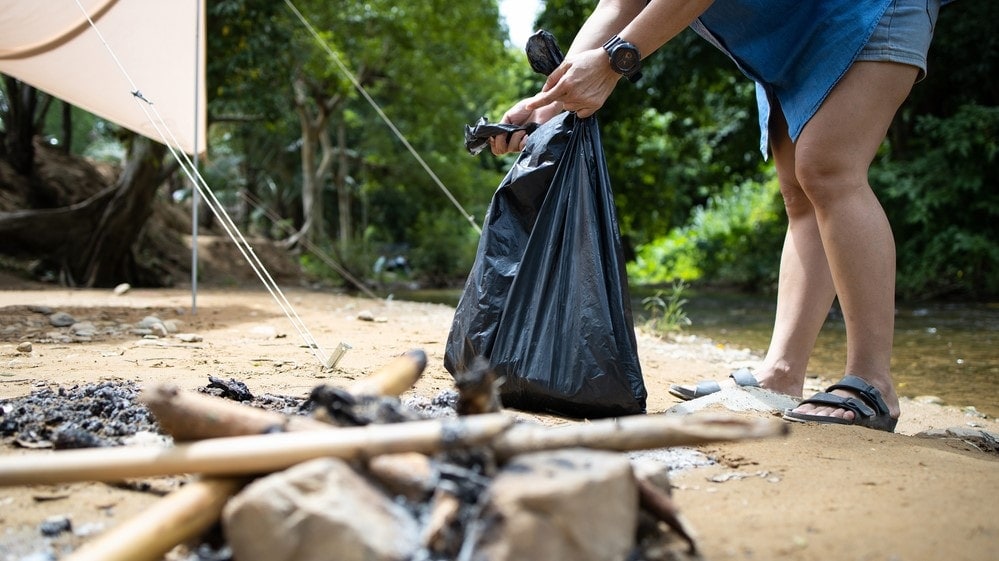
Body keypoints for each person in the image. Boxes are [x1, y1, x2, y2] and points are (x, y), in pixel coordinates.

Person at [490, 0, 948, 432]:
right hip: (788, 32)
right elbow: (616, 6)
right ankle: (781, 375)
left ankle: (873, 382)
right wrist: (549, 103)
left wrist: (614, 62)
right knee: (800, 193)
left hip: (864, 10)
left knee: (827, 167)